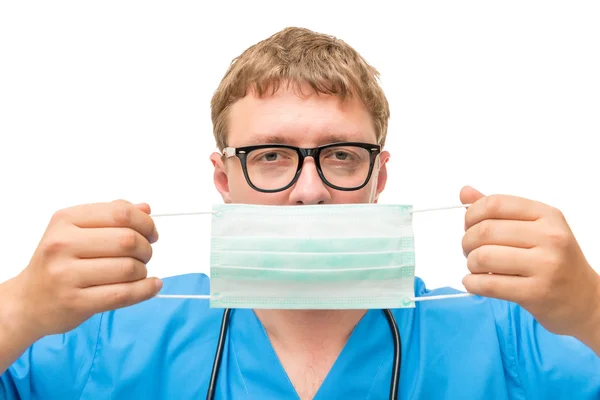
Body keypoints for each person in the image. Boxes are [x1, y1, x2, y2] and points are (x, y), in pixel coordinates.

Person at [0, 26, 599, 400]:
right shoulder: (108, 331)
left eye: (341, 156)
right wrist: (18, 310)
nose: (308, 191)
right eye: (269, 156)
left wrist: (592, 307)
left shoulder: (509, 336)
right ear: (223, 178)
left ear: (379, 176)